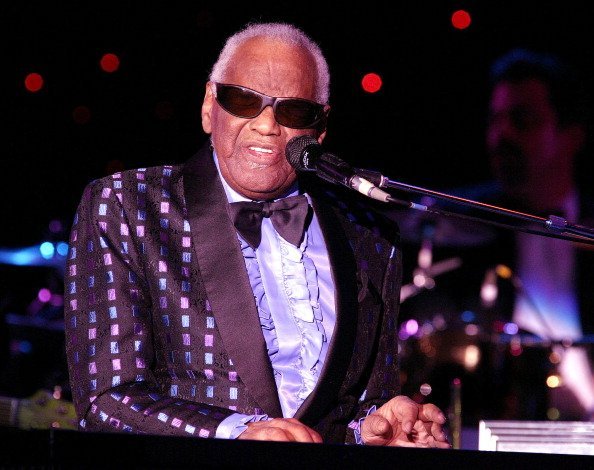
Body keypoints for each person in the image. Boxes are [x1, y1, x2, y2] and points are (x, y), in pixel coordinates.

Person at [63, 21, 450, 447]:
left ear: (319, 128)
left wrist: (375, 429)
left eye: (294, 111)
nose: (267, 125)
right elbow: (106, 401)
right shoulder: (126, 205)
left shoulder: (371, 236)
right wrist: (238, 433)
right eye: (243, 100)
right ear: (210, 107)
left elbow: (356, 408)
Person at [396, 47, 594, 423]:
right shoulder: (462, 222)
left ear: (571, 135)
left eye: (522, 120)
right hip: (501, 423)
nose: (502, 134)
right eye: (495, 120)